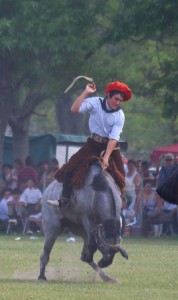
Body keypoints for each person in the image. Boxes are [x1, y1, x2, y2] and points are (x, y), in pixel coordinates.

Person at [48, 81, 132, 208]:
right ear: (108, 95)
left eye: (120, 101)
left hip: (111, 146)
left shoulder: (120, 115)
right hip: (93, 143)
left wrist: (106, 157)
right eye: (116, 99)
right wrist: (86, 92)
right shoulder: (95, 102)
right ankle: (64, 199)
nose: (118, 103)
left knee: (120, 174)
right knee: (70, 165)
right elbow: (74, 109)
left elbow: (114, 138)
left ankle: (119, 206)